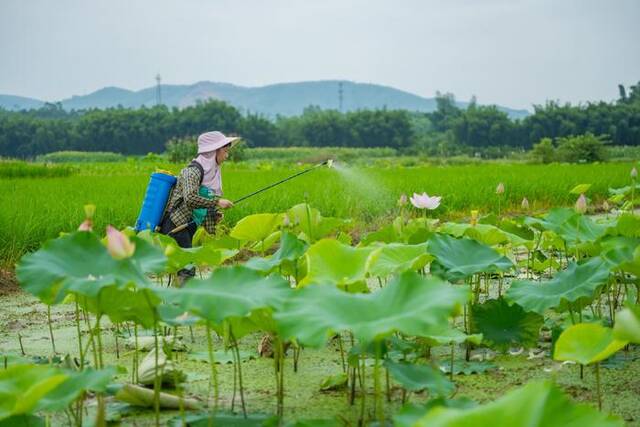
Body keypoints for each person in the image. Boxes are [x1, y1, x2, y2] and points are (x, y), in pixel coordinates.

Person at [160, 131, 238, 285]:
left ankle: (180, 302)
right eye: (225, 151)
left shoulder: (210, 173)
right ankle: (184, 304)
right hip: (175, 226)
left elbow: (203, 201)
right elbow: (190, 199)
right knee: (187, 269)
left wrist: (214, 214)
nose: (226, 156)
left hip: (187, 226)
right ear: (213, 151)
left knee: (185, 268)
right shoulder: (192, 171)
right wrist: (217, 202)